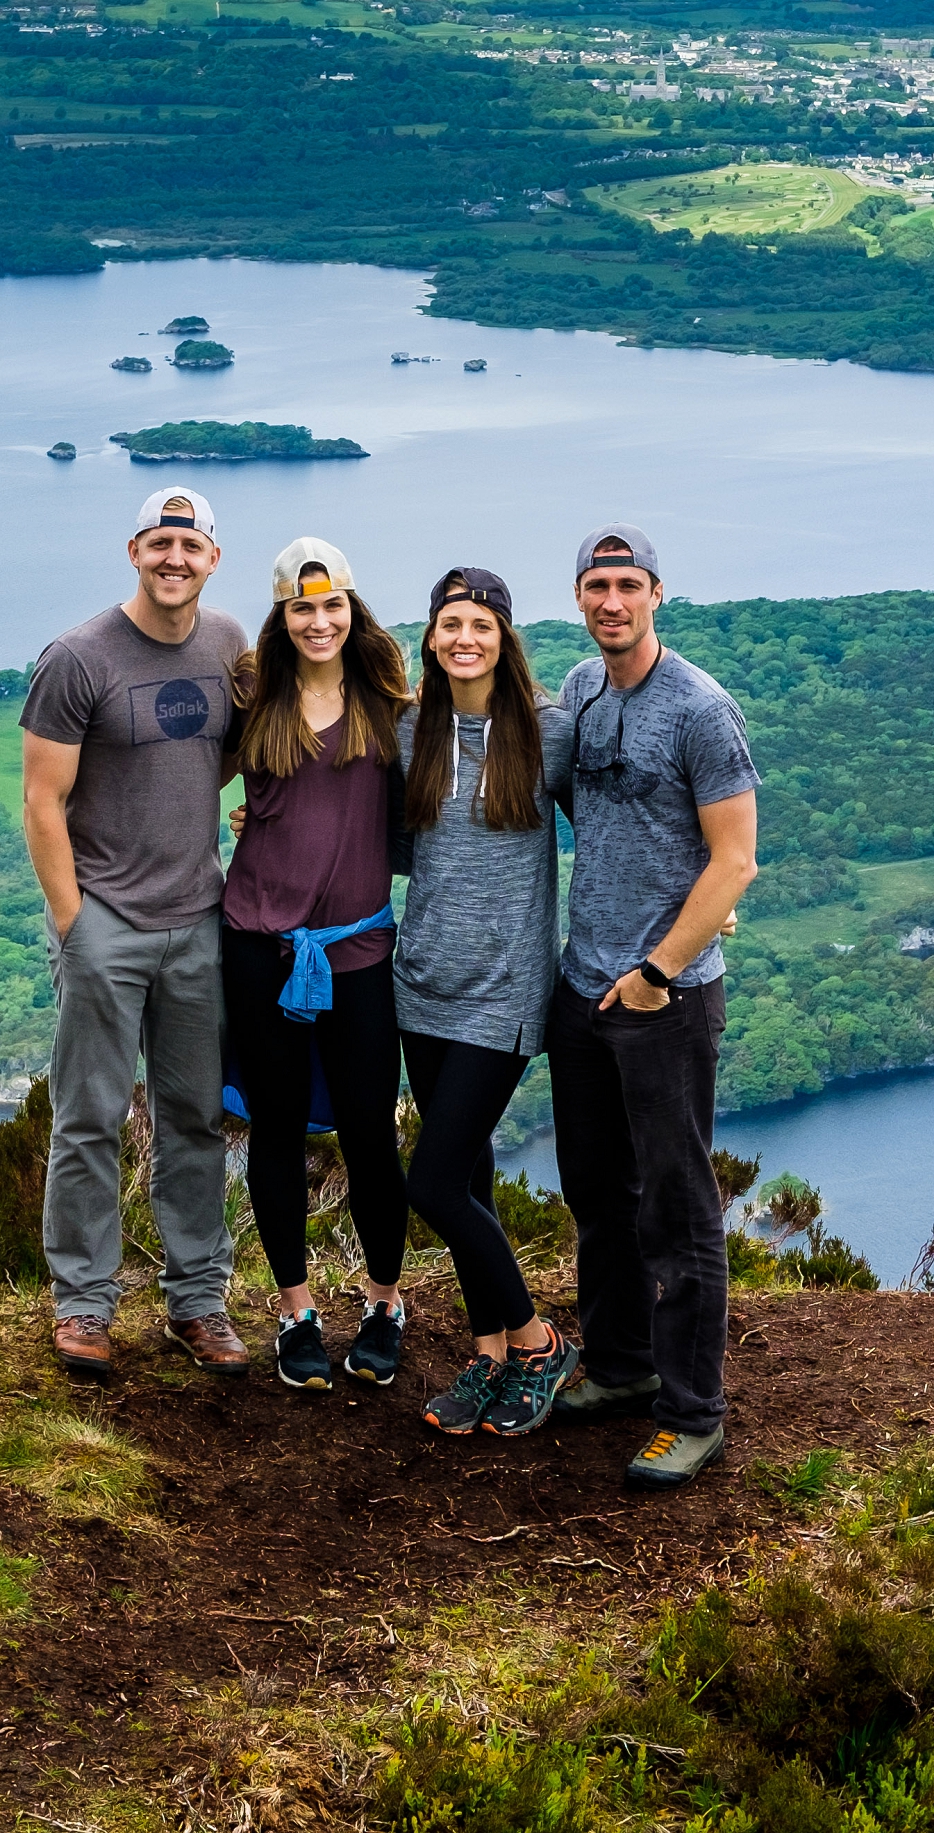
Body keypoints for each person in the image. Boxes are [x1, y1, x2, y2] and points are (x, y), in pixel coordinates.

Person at [543, 524, 760, 1488]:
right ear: (580, 596)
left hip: (663, 997)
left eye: (627, 585)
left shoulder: (703, 710)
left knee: (677, 1205)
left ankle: (693, 1409)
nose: (611, 602)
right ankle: (624, 1367)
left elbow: (735, 860)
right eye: (596, 586)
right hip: (583, 984)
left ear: (658, 594)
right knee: (598, 1193)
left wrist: (658, 972)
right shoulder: (582, 691)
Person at [23, 487, 249, 1382]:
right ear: (133, 550)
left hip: (198, 916)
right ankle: (83, 1303)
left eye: (189, 547)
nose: (174, 559)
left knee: (195, 1116)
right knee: (89, 1118)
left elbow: (228, 751)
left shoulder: (228, 644)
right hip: (105, 920)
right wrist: (76, 923)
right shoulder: (79, 658)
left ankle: (198, 1300)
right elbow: (42, 802)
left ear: (212, 559)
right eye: (159, 543)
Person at [391, 566, 584, 1439]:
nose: (463, 637)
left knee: (430, 1179)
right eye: (449, 624)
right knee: (468, 1177)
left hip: (503, 995)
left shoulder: (546, 733)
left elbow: (619, 821)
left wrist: (713, 883)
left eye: (481, 624)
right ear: (431, 638)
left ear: (505, 637)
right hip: (420, 983)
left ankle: (541, 1344)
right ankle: (490, 1355)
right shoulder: (411, 728)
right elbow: (380, 839)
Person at [220, 536, 415, 1391]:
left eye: (332, 603)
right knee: (278, 1127)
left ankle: (383, 1300)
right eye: (302, 606)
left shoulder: (390, 705)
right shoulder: (251, 697)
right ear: (281, 614)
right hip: (260, 945)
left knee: (372, 1133)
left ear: (352, 608)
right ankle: (297, 1310)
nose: (319, 619)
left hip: (359, 951)